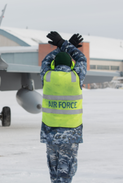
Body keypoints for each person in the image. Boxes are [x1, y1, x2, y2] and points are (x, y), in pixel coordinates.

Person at [40, 31, 87, 183]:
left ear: (54, 63)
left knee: (54, 171)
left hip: (50, 132)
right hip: (71, 132)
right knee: (66, 172)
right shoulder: (77, 76)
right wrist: (67, 45)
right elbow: (82, 57)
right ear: (70, 64)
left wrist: (61, 46)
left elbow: (46, 60)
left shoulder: (47, 75)